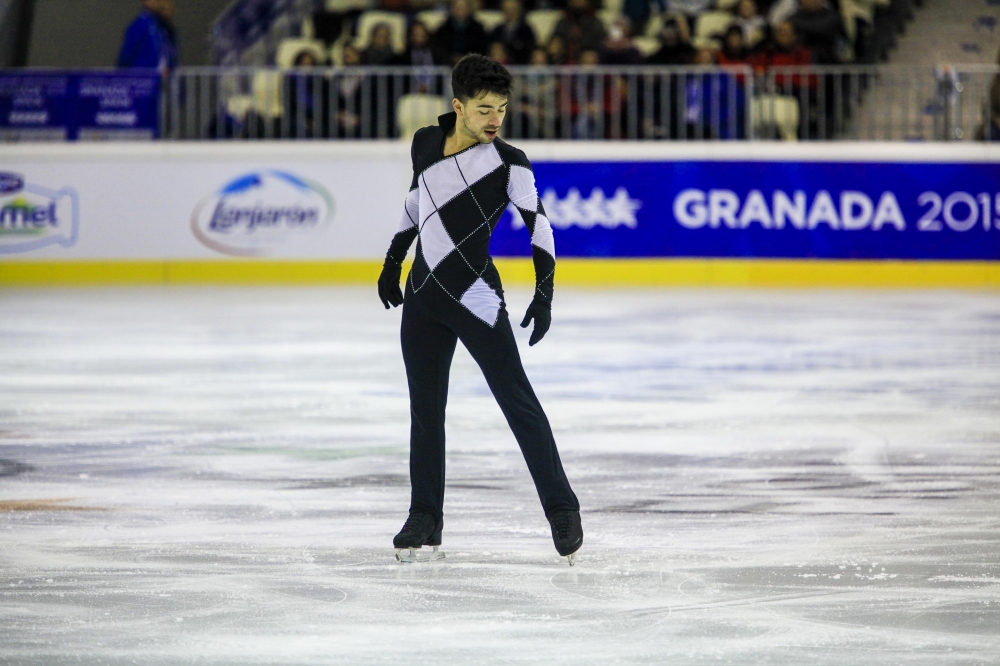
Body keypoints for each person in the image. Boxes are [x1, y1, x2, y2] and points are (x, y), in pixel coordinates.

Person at [377, 54, 583, 565]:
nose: (495, 119)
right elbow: (414, 205)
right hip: (422, 296)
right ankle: (425, 516)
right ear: (459, 106)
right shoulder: (425, 142)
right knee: (425, 412)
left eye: (503, 109)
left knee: (517, 401)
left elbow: (538, 224)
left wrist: (545, 290)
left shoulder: (509, 162)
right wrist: (392, 260)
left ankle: (562, 508)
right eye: (485, 108)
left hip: (475, 296)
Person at [117, 0, 178, 72]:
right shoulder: (141, 25)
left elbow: (172, 57)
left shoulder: (167, 29)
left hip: (162, 79)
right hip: (142, 78)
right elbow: (125, 57)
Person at [433, 0, 489, 66]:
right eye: (457, 7)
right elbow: (439, 50)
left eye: (462, 7)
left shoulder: (478, 29)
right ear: (452, 9)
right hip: (448, 67)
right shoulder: (443, 29)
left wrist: (466, 58)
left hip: (473, 67)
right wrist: (451, 59)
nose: (459, 10)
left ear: (468, 9)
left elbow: (481, 49)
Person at [552, 0, 606, 64]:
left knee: (589, 57)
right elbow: (557, 35)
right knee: (554, 47)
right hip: (566, 51)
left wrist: (579, 38)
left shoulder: (595, 21)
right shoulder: (564, 20)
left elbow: (599, 42)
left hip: (586, 51)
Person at [790, 0, 843, 64]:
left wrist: (798, 25)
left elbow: (824, 27)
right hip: (801, 62)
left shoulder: (830, 15)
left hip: (828, 62)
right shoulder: (794, 17)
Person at [489, 0, 537, 65]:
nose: (510, 12)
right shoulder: (497, 30)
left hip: (520, 66)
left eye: (512, 9)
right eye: (507, 9)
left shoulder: (526, 30)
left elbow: (530, 48)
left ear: (518, 10)